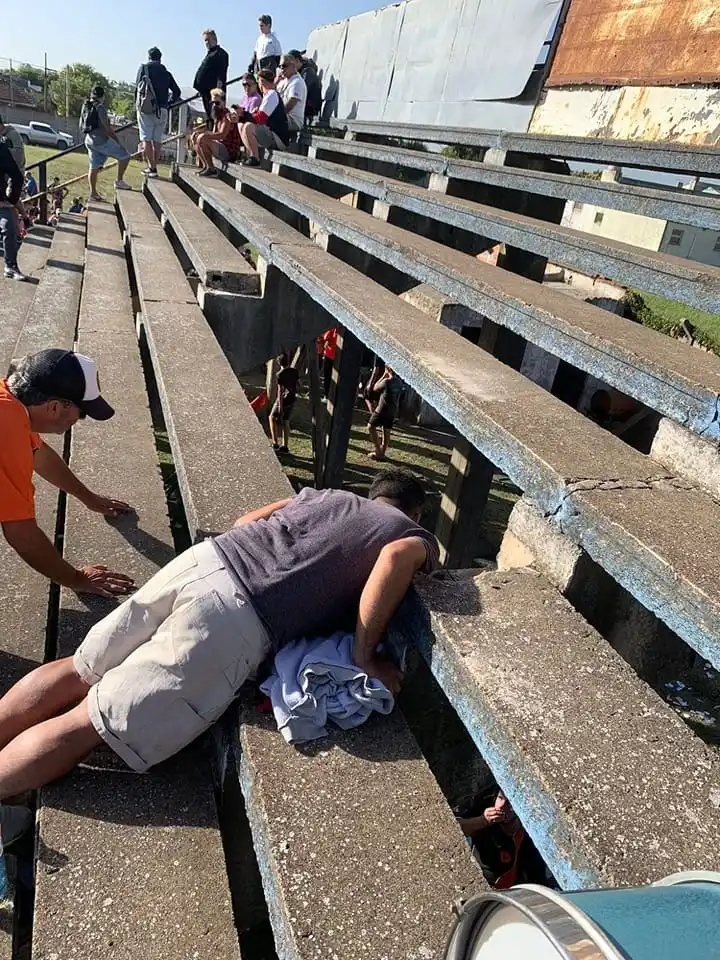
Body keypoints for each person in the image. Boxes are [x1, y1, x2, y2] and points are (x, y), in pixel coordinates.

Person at [0, 469, 438, 795]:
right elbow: (397, 559)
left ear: (374, 495)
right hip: (243, 611)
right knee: (93, 722)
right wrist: (365, 658)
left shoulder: (325, 495)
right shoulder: (412, 533)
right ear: (415, 511)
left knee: (80, 669)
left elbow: (247, 520)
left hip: (204, 562)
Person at [0, 349, 135, 595]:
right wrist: (78, 580)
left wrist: (88, 498)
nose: (80, 420)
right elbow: (23, 535)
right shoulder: (5, 428)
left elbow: (39, 455)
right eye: (82, 413)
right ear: (54, 407)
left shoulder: (11, 403)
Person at [457, 789, 555, 889]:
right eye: (500, 798)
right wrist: (482, 821)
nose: (501, 806)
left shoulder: (528, 839)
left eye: (510, 803)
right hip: (471, 873)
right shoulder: (484, 811)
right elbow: (456, 827)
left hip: (502, 888)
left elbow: (538, 879)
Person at [136, 46, 181, 179]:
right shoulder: (166, 73)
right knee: (157, 140)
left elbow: (137, 88)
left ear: (149, 57)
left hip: (146, 109)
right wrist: (169, 103)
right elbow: (177, 92)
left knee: (146, 138)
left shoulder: (144, 69)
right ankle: (154, 167)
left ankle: (152, 167)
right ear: (160, 58)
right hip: (162, 109)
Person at [80, 85, 131, 201]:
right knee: (125, 156)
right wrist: (118, 142)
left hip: (89, 140)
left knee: (93, 167)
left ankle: (93, 193)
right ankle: (119, 181)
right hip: (101, 141)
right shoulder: (100, 107)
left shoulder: (86, 105)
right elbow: (107, 128)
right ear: (102, 96)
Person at [239, 69, 290, 166]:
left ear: (261, 81)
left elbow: (260, 119)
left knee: (248, 127)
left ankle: (254, 158)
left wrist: (243, 115)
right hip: (274, 135)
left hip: (278, 138)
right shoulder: (269, 95)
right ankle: (249, 156)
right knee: (243, 124)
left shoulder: (271, 94)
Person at [193, 89, 241, 176]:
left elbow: (222, 135)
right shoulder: (217, 115)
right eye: (213, 103)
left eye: (217, 103)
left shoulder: (227, 115)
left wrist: (204, 136)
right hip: (220, 146)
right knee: (197, 138)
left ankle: (211, 168)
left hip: (229, 151)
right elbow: (213, 133)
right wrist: (199, 134)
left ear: (223, 102)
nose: (215, 105)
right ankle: (206, 166)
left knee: (202, 138)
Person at [0, 137, 28, 281]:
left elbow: (16, 176)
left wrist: (10, 198)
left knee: (9, 226)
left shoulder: (2, 149)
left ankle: (10, 266)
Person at [194, 29, 229, 128]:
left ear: (214, 39)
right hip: (205, 92)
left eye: (208, 40)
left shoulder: (220, 54)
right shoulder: (210, 53)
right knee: (210, 117)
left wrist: (218, 92)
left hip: (213, 93)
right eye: (205, 41)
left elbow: (221, 74)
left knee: (215, 117)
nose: (206, 43)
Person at [368, 365, 403, 461]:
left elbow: (375, 388)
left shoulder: (387, 382)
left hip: (382, 409)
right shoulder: (399, 383)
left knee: (371, 426)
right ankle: (383, 451)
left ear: (388, 370)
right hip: (392, 410)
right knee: (386, 430)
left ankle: (378, 451)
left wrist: (384, 375)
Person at [269, 352, 299, 454]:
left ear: (278, 362)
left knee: (271, 417)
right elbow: (298, 384)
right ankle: (285, 446)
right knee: (286, 421)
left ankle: (275, 443)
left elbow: (279, 391)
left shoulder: (279, 375)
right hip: (292, 399)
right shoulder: (294, 371)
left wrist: (280, 407)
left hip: (283, 400)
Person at [277, 50, 307, 136]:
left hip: (293, 121)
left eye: (284, 66)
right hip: (283, 118)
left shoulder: (297, 82)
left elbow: (289, 106)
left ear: (293, 66)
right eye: (280, 66)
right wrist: (276, 81)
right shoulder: (282, 81)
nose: (281, 69)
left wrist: (273, 114)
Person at [320, 327, 338, 400]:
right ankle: (334, 396)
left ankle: (327, 396)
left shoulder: (333, 327)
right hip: (338, 357)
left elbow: (325, 337)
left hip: (329, 355)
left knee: (327, 377)